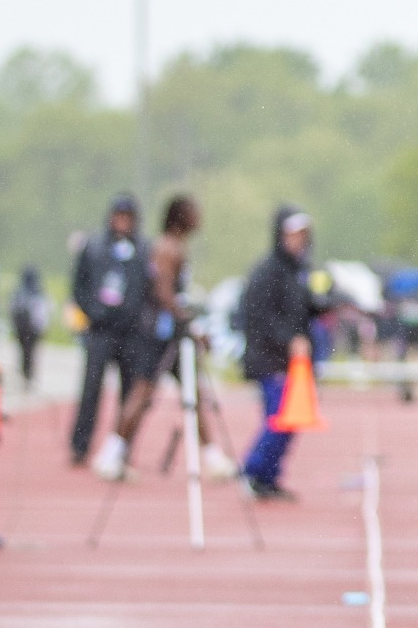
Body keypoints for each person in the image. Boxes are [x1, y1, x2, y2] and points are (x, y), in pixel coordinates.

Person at [89, 195, 235, 481]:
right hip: (160, 336)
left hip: (170, 334)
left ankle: (213, 456)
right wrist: (187, 323)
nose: (199, 217)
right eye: (195, 211)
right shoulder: (167, 248)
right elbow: (163, 292)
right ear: (181, 216)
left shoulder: (174, 247)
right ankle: (110, 454)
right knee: (142, 394)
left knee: (193, 393)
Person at [68, 193, 153, 466]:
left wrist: (137, 316)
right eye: (119, 216)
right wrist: (94, 312)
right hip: (100, 331)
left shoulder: (143, 250)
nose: (123, 222)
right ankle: (80, 446)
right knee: (91, 389)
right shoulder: (93, 246)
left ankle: (122, 447)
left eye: (128, 218)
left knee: (130, 393)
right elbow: (79, 286)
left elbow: (151, 289)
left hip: (131, 333)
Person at [239, 207, 317, 501]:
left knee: (290, 418)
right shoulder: (267, 271)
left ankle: (268, 477)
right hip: (269, 358)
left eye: (302, 235)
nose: (298, 241)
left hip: (292, 361)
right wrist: (288, 341)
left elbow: (303, 310)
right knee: (279, 418)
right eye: (292, 234)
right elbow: (260, 317)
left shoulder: (299, 271)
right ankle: (252, 470)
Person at [8, 264, 48, 389]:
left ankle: (27, 375)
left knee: (26, 352)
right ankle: (27, 375)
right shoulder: (35, 292)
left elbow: (13, 309)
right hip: (30, 329)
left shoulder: (21, 292)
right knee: (29, 352)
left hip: (24, 328)